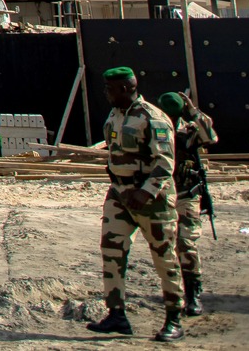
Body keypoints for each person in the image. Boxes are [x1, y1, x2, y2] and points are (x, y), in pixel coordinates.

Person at [86, 67, 182, 341]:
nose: (106, 93)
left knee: (164, 257)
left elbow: (165, 163)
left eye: (111, 89)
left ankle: (174, 317)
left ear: (126, 88)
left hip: (151, 200)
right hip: (120, 195)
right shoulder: (115, 115)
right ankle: (116, 314)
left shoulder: (153, 118)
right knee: (111, 250)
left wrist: (146, 192)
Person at [159, 91, 217, 318]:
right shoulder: (156, 127)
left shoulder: (190, 130)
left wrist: (193, 111)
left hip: (186, 195)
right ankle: (175, 294)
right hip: (163, 195)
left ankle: (193, 295)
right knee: (167, 246)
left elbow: (210, 136)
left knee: (185, 243)